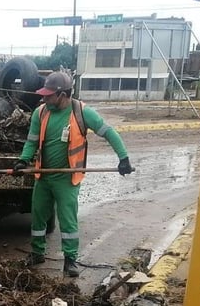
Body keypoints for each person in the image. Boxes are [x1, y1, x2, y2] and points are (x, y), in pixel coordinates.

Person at [14, 71, 133, 278]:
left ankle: (70, 259)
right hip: (43, 175)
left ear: (62, 94)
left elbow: (109, 132)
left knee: (67, 220)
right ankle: (37, 253)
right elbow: (32, 141)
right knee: (38, 216)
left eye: (49, 95)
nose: (44, 99)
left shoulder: (82, 112)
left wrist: (123, 158)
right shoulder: (40, 113)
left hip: (67, 178)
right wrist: (23, 160)